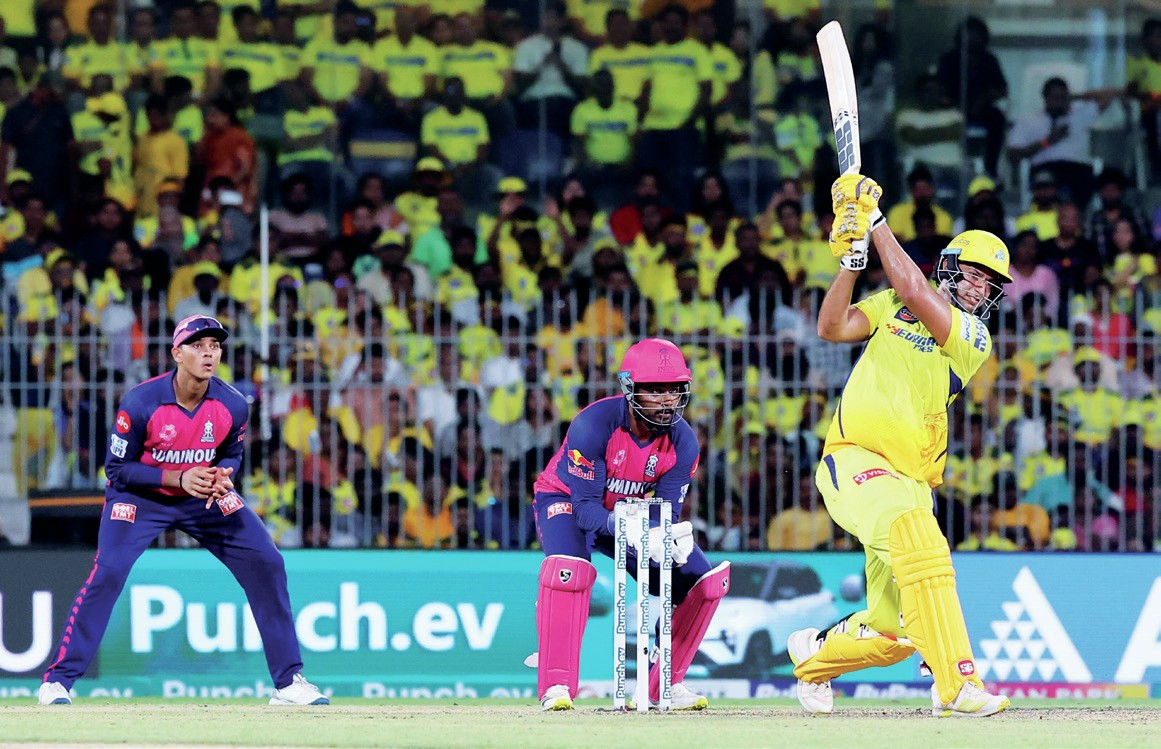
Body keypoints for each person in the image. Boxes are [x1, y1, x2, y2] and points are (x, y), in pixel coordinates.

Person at [786, 174, 1012, 718]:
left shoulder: (973, 338)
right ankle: (957, 683)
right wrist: (851, 262)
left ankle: (813, 658)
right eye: (973, 274)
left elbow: (915, 291)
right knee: (921, 543)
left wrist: (876, 222)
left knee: (893, 631)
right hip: (855, 460)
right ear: (949, 268)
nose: (980, 288)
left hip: (911, 482)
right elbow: (831, 326)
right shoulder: (890, 303)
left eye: (990, 284)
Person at [37, 315, 329, 707]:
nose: (208, 353)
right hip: (141, 497)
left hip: (202, 495)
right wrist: (178, 477)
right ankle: (58, 681)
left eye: (215, 346)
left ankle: (289, 682)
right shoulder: (141, 402)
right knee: (108, 573)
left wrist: (224, 473)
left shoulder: (232, 404)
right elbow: (117, 470)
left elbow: (232, 452)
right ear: (177, 353)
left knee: (268, 562)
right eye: (197, 345)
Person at [531, 338, 730, 711]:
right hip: (568, 500)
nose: (667, 400)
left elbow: (664, 511)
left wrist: (664, 536)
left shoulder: (684, 443)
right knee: (569, 571)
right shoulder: (594, 424)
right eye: (655, 390)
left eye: (674, 390)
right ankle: (556, 685)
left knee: (702, 582)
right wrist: (632, 528)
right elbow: (585, 511)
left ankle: (664, 683)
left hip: (630, 515)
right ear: (630, 388)